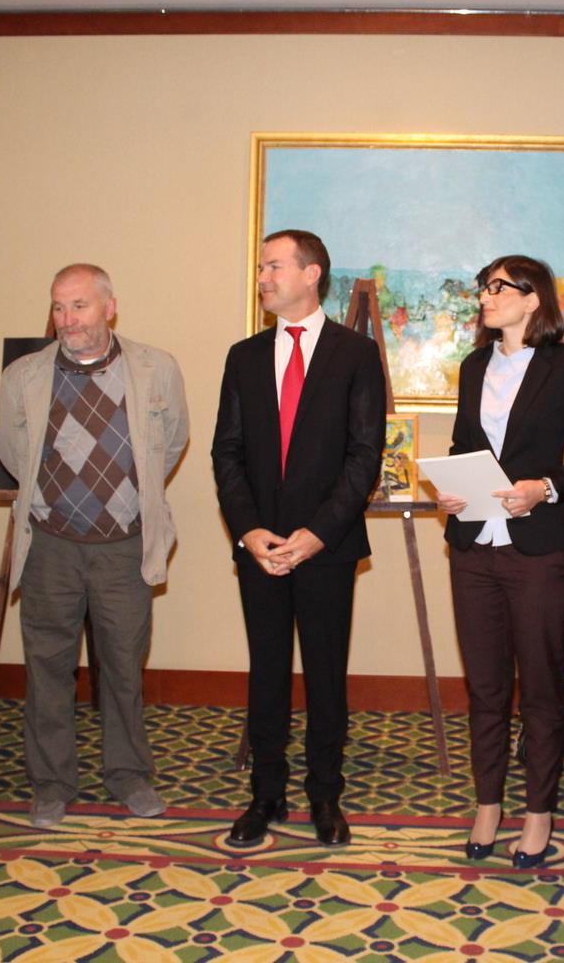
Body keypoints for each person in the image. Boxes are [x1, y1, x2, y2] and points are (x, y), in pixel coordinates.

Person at [0, 263, 190, 828]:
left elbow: (171, 442)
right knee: (47, 667)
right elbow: (12, 453)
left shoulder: (156, 369)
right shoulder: (23, 376)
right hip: (51, 545)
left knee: (124, 666)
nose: (67, 319)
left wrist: (124, 497)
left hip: (124, 547)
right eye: (58, 307)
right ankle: (52, 783)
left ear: (110, 307)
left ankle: (128, 774)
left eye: (79, 305)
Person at [212, 229, 385, 847]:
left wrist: (317, 534)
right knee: (266, 674)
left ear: (312, 274)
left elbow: (364, 456)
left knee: (325, 676)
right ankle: (265, 794)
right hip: (259, 548)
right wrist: (249, 530)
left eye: (274, 266)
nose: (262, 277)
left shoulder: (356, 354)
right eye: (261, 267)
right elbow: (227, 452)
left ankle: (325, 794)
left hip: (327, 549)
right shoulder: (244, 356)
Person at [436, 255, 564, 868]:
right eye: (483, 287)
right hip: (472, 547)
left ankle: (539, 811)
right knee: (484, 687)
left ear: (533, 299)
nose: (486, 296)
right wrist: (449, 488)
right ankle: (488, 804)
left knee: (540, 687)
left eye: (498, 287)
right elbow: (463, 444)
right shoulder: (473, 365)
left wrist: (547, 488)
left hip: (538, 551)